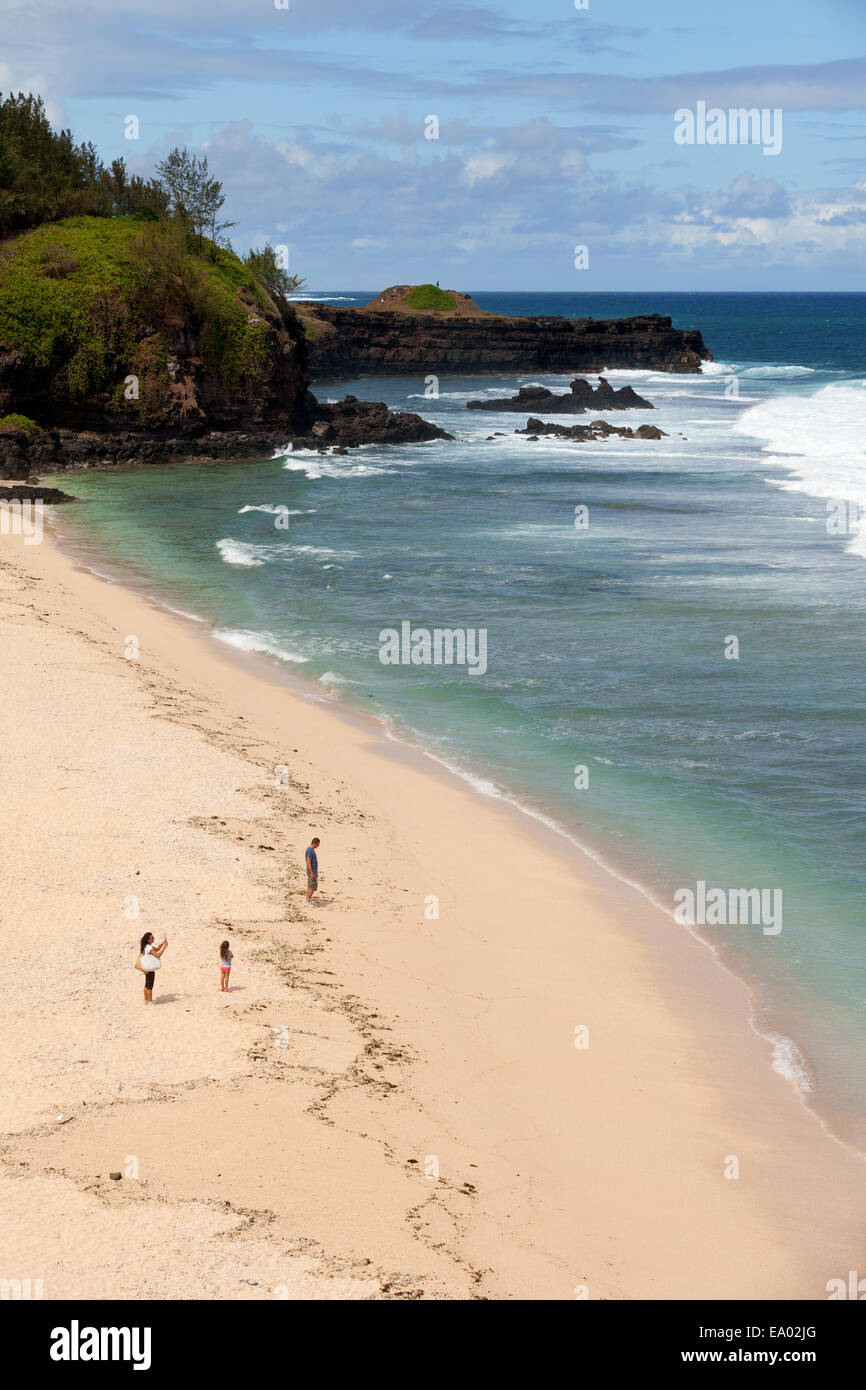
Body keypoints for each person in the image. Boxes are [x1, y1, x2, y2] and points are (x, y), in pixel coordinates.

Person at [139, 930, 167, 1003]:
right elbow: (158, 955)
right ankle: (150, 1001)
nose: (153, 939)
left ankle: (146, 999)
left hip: (146, 967)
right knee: (150, 985)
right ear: (148, 940)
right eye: (152, 938)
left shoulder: (146, 946)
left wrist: (162, 944)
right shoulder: (149, 948)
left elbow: (157, 949)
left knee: (147, 983)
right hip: (150, 967)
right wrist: (164, 948)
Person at [305, 837, 320, 904]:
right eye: (317, 844)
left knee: (310, 885)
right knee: (312, 886)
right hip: (311, 871)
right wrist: (312, 873)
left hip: (313, 871)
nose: (318, 846)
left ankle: (308, 899)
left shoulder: (311, 850)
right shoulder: (309, 850)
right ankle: (307, 901)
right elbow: (308, 862)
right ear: (314, 843)